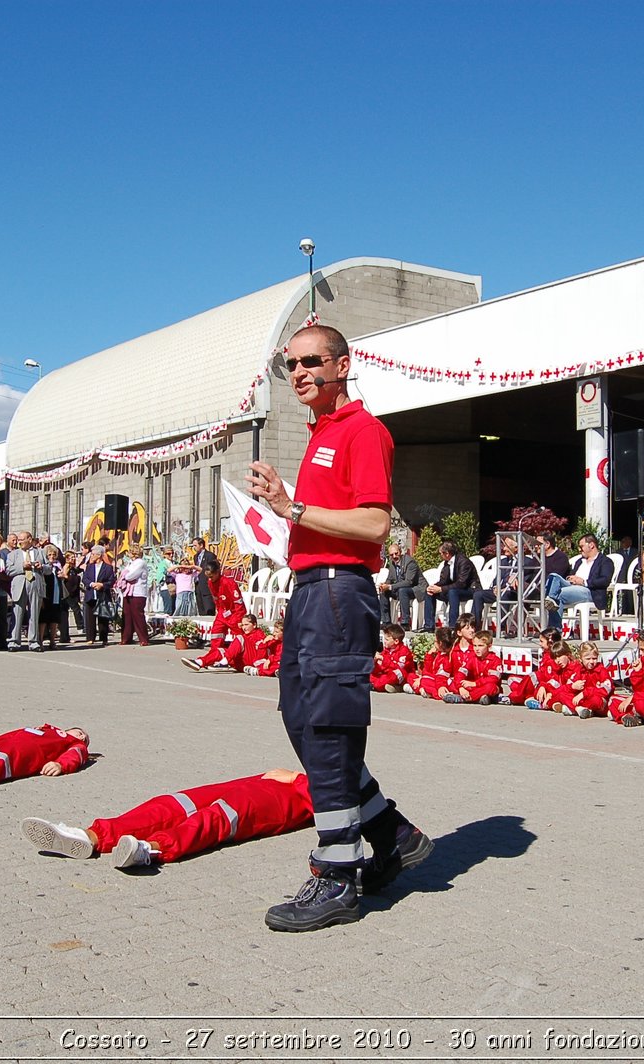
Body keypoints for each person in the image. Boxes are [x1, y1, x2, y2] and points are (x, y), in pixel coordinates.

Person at [246, 323, 431, 933]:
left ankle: (336, 873)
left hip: (337, 591)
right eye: (290, 365)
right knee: (303, 720)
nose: (299, 373)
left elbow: (376, 525)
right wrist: (288, 501)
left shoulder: (363, 431)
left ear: (343, 365)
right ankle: (391, 833)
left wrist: (291, 507)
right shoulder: (321, 432)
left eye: (310, 362)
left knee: (327, 725)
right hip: (311, 590)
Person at [21, 769, 313, 869]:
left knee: (217, 818)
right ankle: (89, 836)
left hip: (284, 800)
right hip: (261, 783)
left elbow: (337, 800)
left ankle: (149, 850)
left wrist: (297, 778)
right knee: (172, 804)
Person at [423, 542, 479, 631]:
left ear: (447, 553)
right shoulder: (447, 563)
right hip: (454, 590)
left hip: (469, 590)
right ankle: (429, 626)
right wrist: (434, 587)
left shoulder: (463, 562)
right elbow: (444, 580)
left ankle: (453, 626)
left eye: (441, 553)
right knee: (430, 592)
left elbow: (462, 583)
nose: (440, 556)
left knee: (453, 592)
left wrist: (441, 589)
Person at [555, 533, 613, 615]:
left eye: (581, 546)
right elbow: (571, 574)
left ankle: (554, 626)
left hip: (590, 591)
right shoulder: (580, 561)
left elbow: (605, 580)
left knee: (557, 594)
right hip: (572, 587)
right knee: (553, 577)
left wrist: (583, 582)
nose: (579, 549)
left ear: (591, 545)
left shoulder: (605, 561)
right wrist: (570, 578)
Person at [554, 640, 613, 718]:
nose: (592, 661)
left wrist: (584, 693)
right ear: (581, 659)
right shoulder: (579, 670)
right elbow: (566, 687)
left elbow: (606, 690)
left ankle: (575, 709)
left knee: (596, 700)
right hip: (583, 700)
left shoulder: (601, 670)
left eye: (594, 658)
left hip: (598, 703)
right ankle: (581, 710)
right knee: (562, 694)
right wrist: (573, 686)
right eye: (588, 659)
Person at [441, 629, 502, 704]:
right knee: (453, 683)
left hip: (487, 688)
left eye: (480, 646)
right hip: (475, 687)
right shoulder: (471, 657)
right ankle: (479, 698)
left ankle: (463, 699)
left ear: (489, 646)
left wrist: (475, 684)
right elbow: (460, 674)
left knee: (490, 687)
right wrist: (460, 687)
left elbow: (493, 679)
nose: (477, 649)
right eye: (475, 645)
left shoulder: (496, 660)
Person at [377, 542, 423, 628]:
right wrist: (384, 585)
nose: (394, 556)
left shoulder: (410, 562)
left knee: (403, 590)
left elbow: (409, 582)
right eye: (391, 555)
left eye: (396, 553)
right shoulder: (392, 563)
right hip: (400, 589)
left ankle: (405, 622)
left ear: (400, 552)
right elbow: (390, 579)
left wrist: (390, 586)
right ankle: (386, 622)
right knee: (384, 591)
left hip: (415, 589)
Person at [118, 544, 151, 646]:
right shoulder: (130, 563)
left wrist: (124, 575)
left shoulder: (140, 563)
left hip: (138, 592)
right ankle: (126, 637)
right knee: (127, 615)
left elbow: (129, 576)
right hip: (128, 592)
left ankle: (143, 638)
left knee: (137, 615)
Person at [370, 622, 417, 693]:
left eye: (387, 640)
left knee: (396, 674)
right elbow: (381, 668)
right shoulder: (386, 651)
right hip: (388, 674)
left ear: (396, 641)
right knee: (371, 674)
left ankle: (377, 685)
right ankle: (389, 686)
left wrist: (383, 659)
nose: (384, 642)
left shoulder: (404, 651)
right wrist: (375, 662)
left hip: (403, 676)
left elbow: (398, 667)